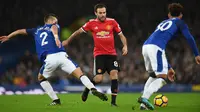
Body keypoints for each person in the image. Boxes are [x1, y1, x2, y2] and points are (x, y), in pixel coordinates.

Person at [0, 13, 108, 105]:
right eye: (55, 20)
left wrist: (9, 36)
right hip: (62, 55)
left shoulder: (36, 30)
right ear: (50, 20)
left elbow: (20, 31)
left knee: (41, 78)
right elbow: (54, 27)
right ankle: (92, 88)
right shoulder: (54, 25)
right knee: (80, 74)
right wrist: (56, 37)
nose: (57, 22)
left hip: (50, 58)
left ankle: (55, 100)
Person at [62, 4, 128, 106]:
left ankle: (113, 103)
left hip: (111, 54)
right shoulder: (91, 23)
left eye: (104, 12)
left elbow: (121, 35)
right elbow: (78, 32)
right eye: (100, 13)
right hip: (99, 55)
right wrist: (67, 40)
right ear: (95, 13)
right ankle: (87, 90)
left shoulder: (112, 22)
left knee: (114, 74)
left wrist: (125, 46)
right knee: (98, 79)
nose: (103, 15)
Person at [138, 3, 200, 110]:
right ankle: (144, 97)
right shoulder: (180, 22)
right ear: (180, 15)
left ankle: (143, 105)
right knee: (162, 78)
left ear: (169, 15)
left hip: (146, 47)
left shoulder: (162, 23)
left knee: (153, 75)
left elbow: (160, 51)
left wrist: (169, 67)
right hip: (156, 48)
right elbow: (189, 38)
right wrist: (196, 54)